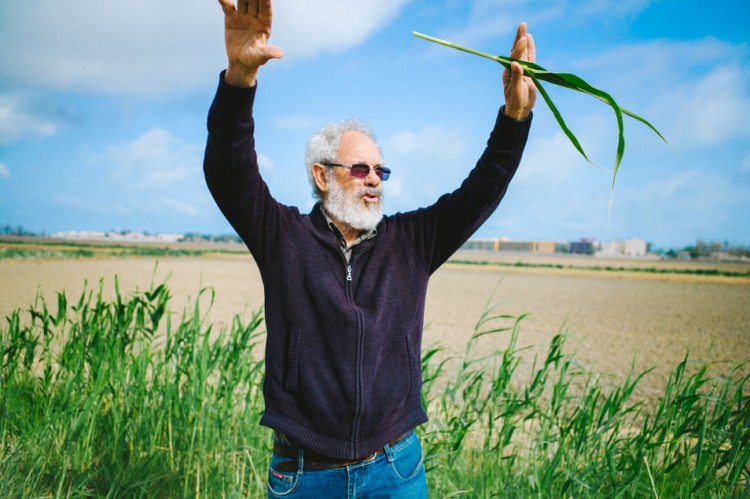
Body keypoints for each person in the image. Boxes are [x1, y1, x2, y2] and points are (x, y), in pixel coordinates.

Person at [204, 0, 537, 496]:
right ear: (322, 175)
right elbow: (230, 174)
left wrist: (514, 117)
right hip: (305, 475)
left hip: (395, 469)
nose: (375, 181)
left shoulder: (412, 242)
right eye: (360, 169)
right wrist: (239, 78)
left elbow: (482, 189)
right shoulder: (285, 238)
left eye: (381, 171)